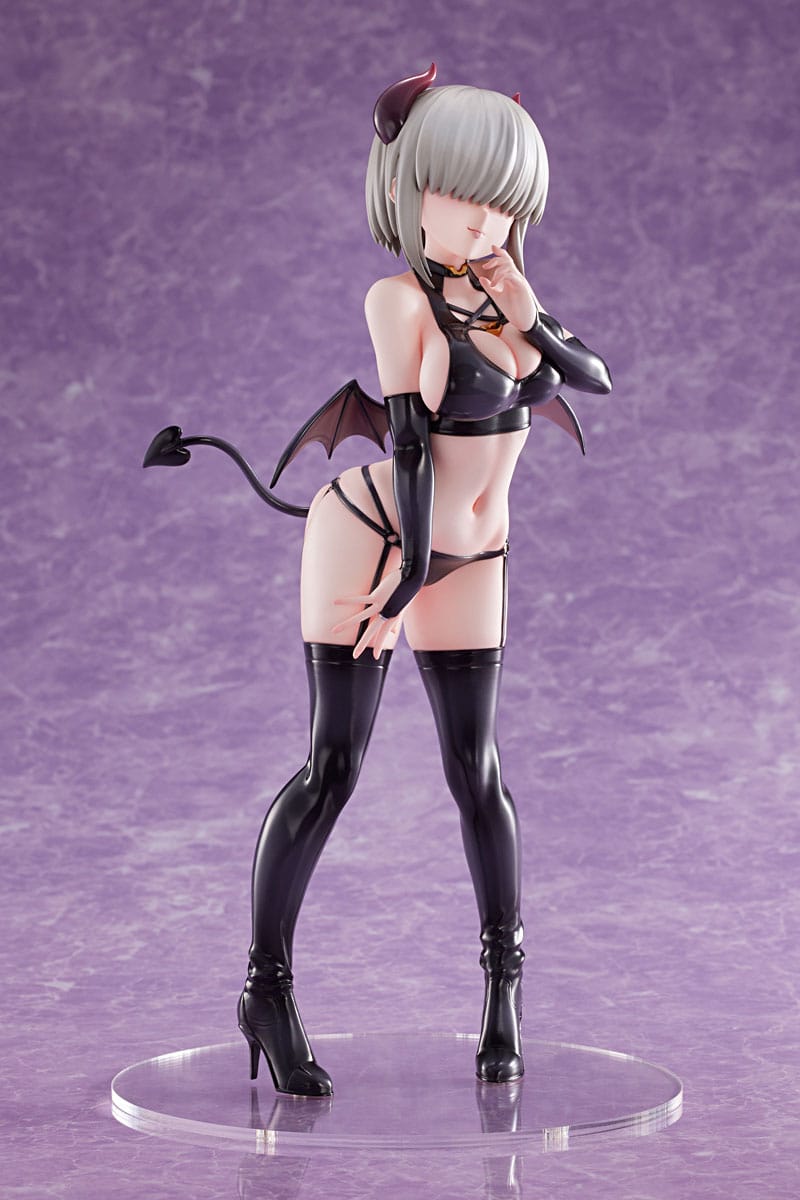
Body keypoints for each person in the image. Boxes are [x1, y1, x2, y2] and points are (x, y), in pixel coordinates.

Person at [230, 65, 612, 1098]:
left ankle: (503, 1003)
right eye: (465, 196)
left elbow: (595, 379)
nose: (487, 221)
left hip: (477, 554)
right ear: (407, 190)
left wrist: (530, 316)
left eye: (505, 203)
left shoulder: (505, 293)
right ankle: (265, 990)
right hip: (374, 536)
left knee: (476, 772)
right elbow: (405, 448)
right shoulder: (397, 301)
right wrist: (399, 585)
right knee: (333, 767)